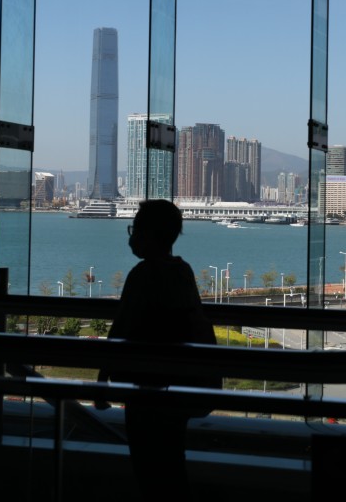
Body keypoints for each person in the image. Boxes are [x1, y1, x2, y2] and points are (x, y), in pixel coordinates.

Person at [96, 199, 218, 500]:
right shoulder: (183, 271)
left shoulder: (142, 275)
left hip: (145, 385)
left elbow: (121, 327)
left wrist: (103, 379)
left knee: (148, 466)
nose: (131, 237)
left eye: (135, 229)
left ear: (149, 234)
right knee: (171, 463)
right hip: (179, 383)